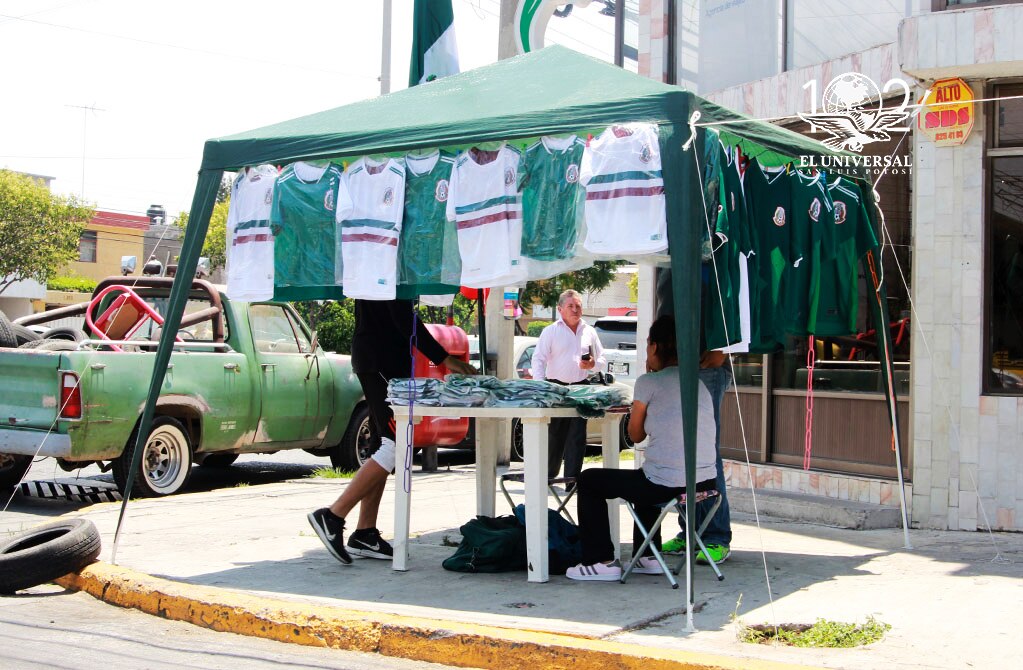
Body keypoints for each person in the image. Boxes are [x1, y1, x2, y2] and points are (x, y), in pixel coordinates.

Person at [307, 299, 476, 564]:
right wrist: (444, 358)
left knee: (382, 445)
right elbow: (403, 318)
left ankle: (365, 533)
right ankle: (332, 516)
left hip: (379, 360)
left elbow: (402, 317)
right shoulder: (391, 275)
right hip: (380, 362)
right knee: (396, 444)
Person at [566, 314, 717, 581]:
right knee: (646, 475)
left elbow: (634, 435)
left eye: (647, 344)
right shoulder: (698, 383)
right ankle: (648, 555)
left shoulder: (649, 382)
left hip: (666, 484)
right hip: (704, 483)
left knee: (589, 480)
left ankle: (600, 561)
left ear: (655, 347)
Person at [530, 289, 605, 482]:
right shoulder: (551, 331)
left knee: (577, 436)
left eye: (578, 306)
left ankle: (572, 481)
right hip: (556, 386)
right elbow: (538, 359)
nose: (575, 310)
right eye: (570, 306)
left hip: (581, 387)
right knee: (554, 434)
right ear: (560, 309)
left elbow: (602, 360)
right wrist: (541, 386)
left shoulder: (589, 331)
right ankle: (548, 476)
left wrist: (592, 365)